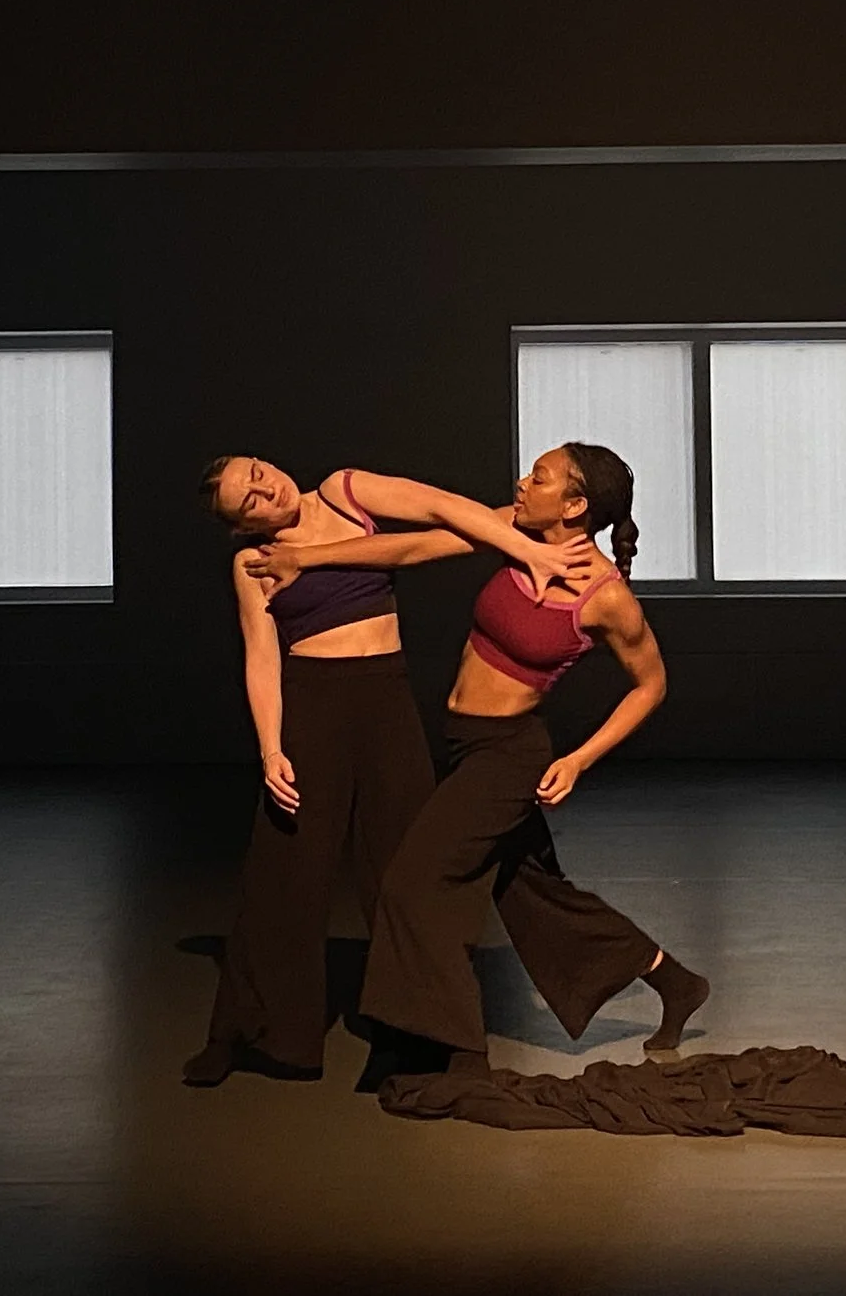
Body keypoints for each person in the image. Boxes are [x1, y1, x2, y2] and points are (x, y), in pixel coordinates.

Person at [249, 443, 709, 1075]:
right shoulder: (516, 532)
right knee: (531, 893)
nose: (522, 483)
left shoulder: (605, 597)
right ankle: (673, 980)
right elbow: (412, 548)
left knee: (413, 885)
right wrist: (306, 558)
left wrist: (579, 760)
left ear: (574, 506)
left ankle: (452, 1053)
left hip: (509, 757)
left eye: (539, 478)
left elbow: (650, 685)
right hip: (463, 741)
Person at [184, 457, 590, 1088]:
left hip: (384, 699)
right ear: (243, 527)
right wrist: (271, 751)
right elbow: (261, 658)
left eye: (258, 472)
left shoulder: (344, 491)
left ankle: (415, 1038)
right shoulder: (254, 563)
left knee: (406, 868)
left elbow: (441, 512)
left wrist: (524, 543)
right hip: (312, 704)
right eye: (250, 501)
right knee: (285, 870)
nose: (266, 488)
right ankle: (251, 1035)